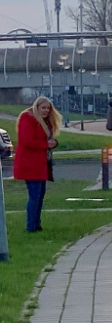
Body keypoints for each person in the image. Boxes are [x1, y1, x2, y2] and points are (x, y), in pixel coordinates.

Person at [14, 96, 62, 232]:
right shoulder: (27, 118)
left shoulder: (46, 121)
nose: (46, 110)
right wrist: (46, 144)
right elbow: (26, 141)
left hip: (41, 164)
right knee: (34, 195)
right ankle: (31, 226)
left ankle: (36, 223)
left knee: (40, 195)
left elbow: (47, 139)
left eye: (48, 108)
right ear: (37, 107)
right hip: (29, 163)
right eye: (43, 108)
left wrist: (53, 143)